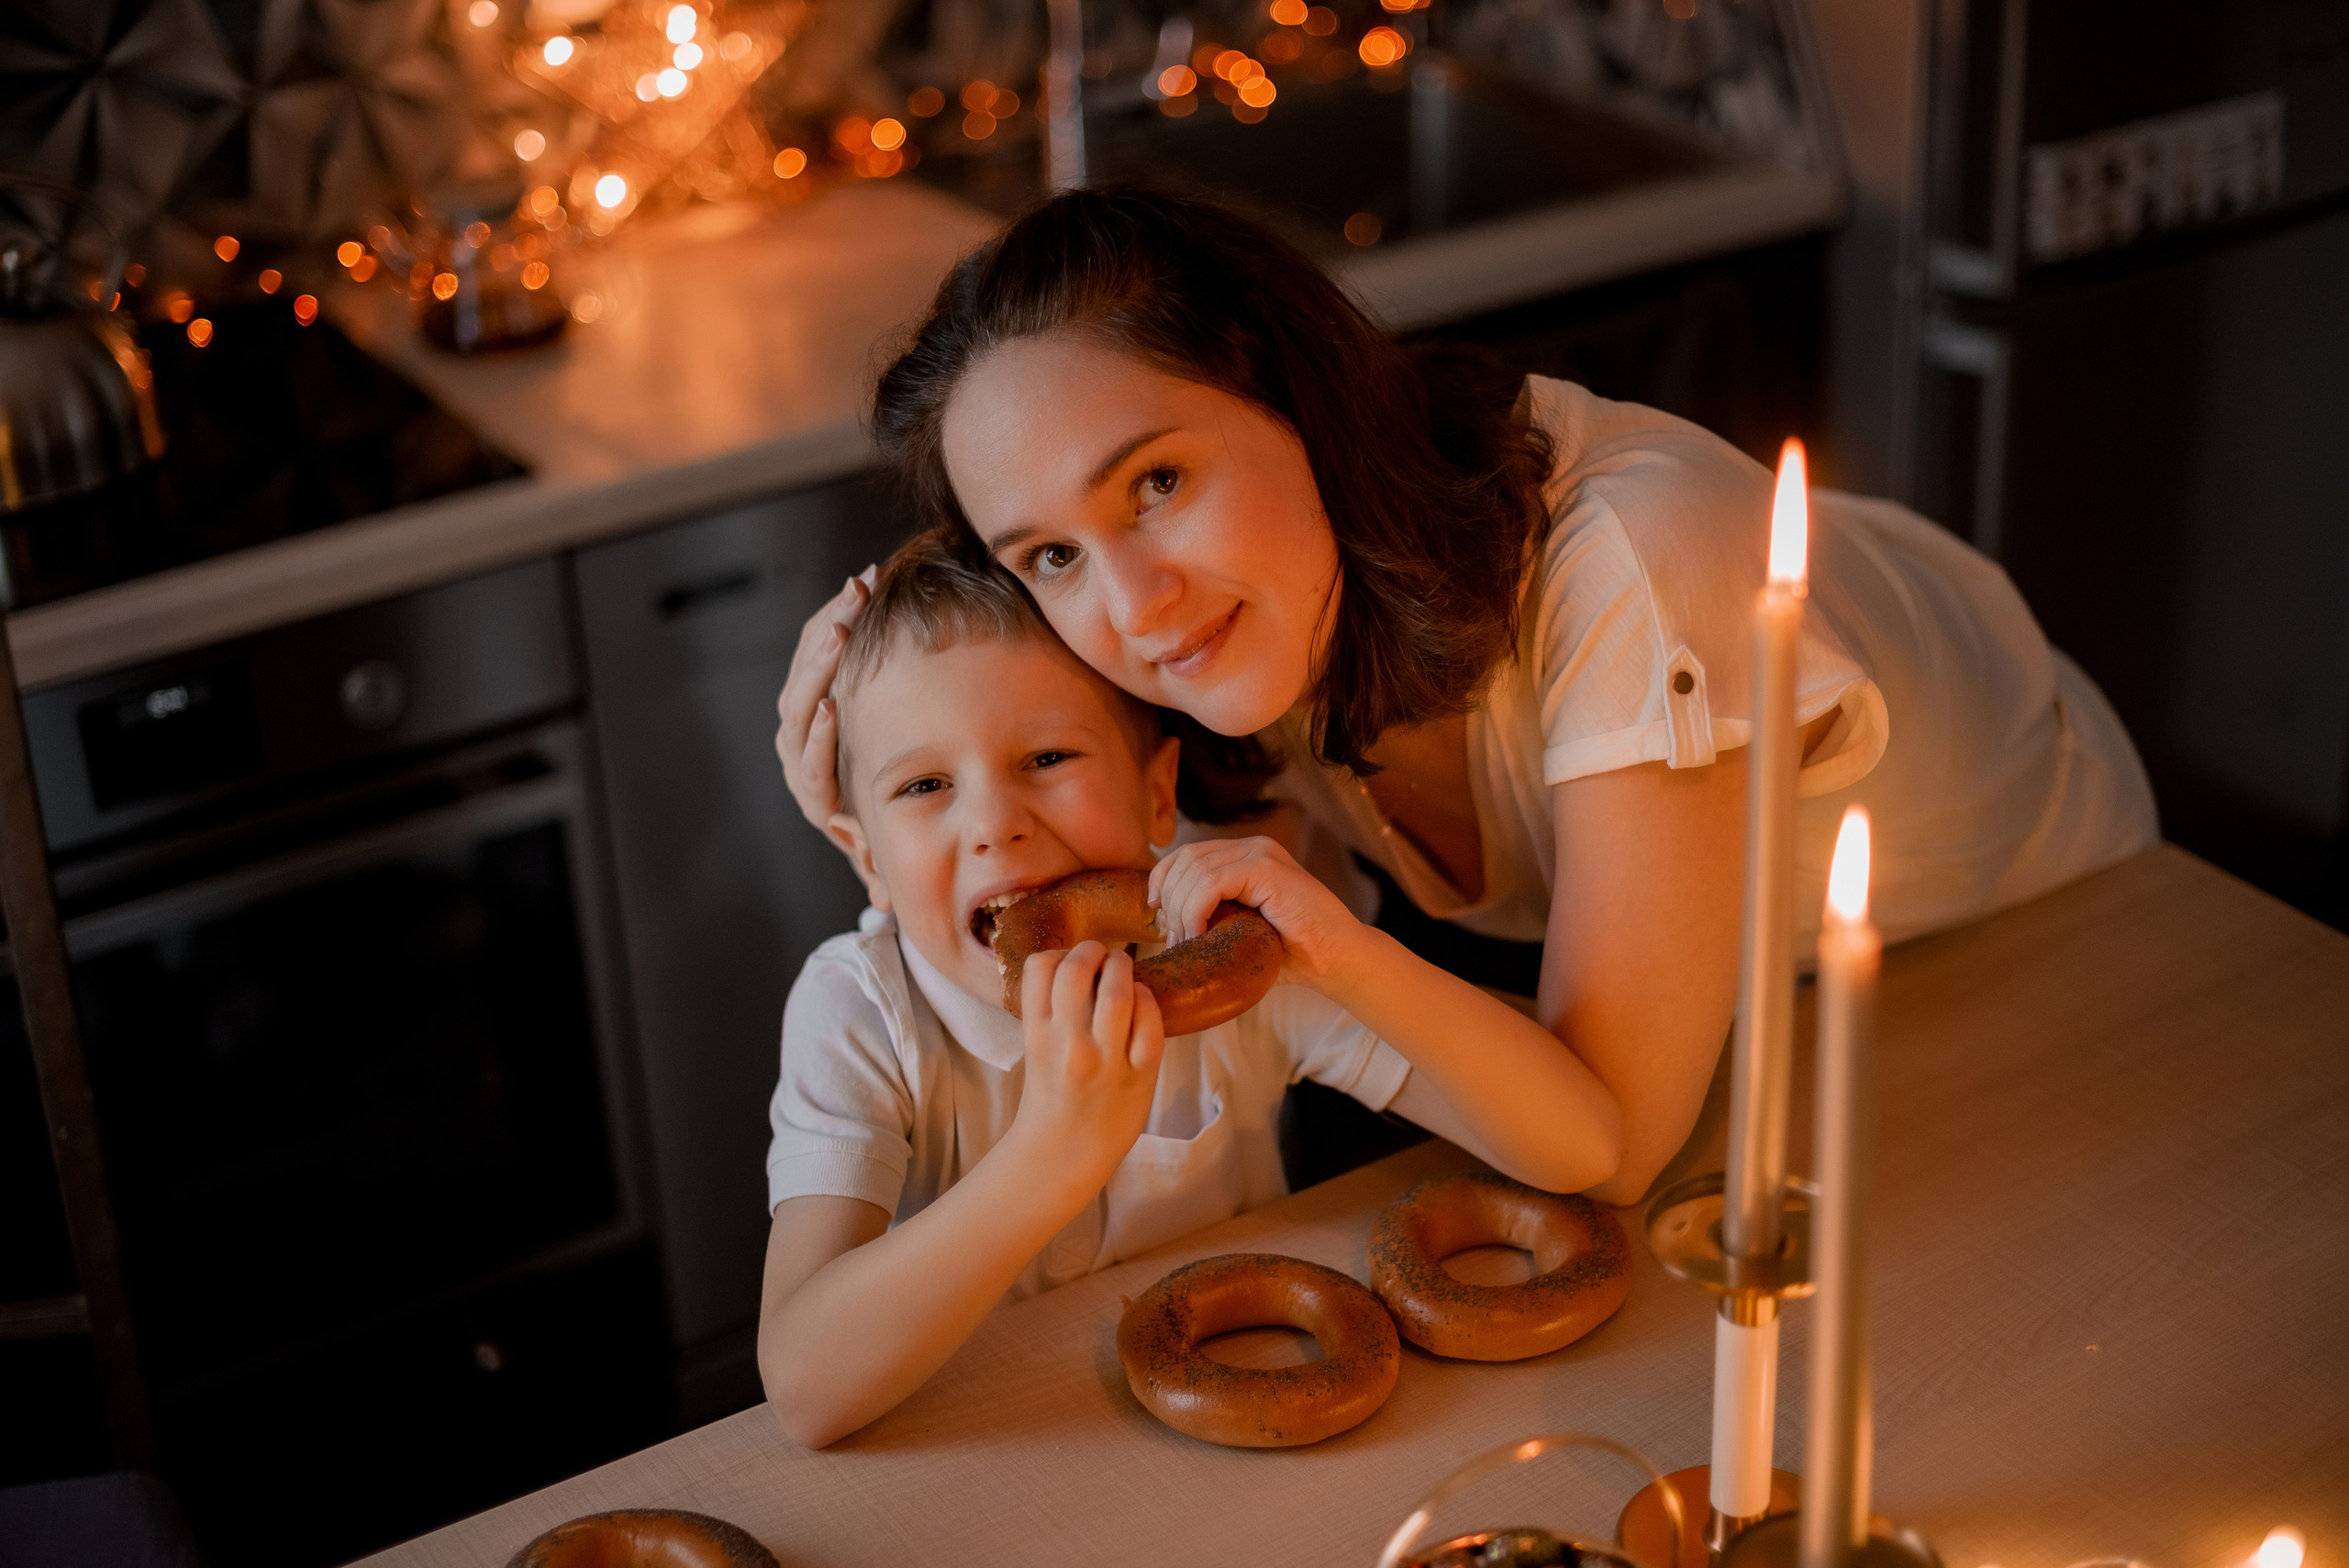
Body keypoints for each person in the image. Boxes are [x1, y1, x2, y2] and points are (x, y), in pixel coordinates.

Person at [776, 188, 2157, 1210]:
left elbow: (1611, 1138)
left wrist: (1324, 946)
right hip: (1739, 1025)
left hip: (2048, 949)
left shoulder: (1637, 567)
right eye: (1053, 556)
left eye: (1158, 481)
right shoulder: (1224, 627)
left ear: (1287, 388)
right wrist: (862, 792)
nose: (1131, 605)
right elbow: (1089, 849)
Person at [757, 528, 1620, 1449]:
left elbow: (1580, 1144)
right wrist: (1054, 1149)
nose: (994, 824)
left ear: (1157, 794)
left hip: (1254, 1438)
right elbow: (808, 1389)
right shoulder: (860, 1012)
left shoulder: (1225, 958)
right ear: (867, 858)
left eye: (1047, 759)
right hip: (1006, 1451)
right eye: (924, 783)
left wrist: (1348, 955)